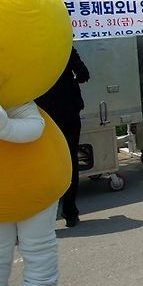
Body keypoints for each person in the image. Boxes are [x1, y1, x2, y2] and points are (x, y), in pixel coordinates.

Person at [35, 47, 90, 227]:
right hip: (68, 110)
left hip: (41, 113)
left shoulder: (27, 48)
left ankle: (44, 214)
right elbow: (83, 74)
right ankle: (70, 211)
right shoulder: (64, 47)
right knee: (69, 160)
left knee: (43, 163)